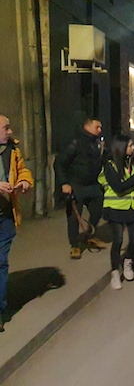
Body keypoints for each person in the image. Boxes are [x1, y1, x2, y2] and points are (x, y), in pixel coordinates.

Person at [0, 115, 33, 332]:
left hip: (4, 216)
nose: (10, 132)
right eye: (6, 128)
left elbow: (23, 170)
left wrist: (24, 181)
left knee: (0, 264)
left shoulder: (13, 151)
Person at [54, 117, 105, 259]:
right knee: (73, 218)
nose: (100, 130)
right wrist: (64, 183)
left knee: (97, 211)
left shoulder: (96, 143)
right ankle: (74, 245)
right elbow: (59, 163)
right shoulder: (75, 143)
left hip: (93, 185)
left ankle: (88, 235)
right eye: (97, 127)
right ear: (87, 126)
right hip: (76, 186)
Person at [98, 135, 134, 290]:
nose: (133, 148)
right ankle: (115, 272)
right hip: (115, 208)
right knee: (117, 241)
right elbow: (118, 187)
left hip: (132, 206)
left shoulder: (132, 162)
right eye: (130, 146)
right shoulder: (110, 166)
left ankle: (128, 262)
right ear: (121, 147)